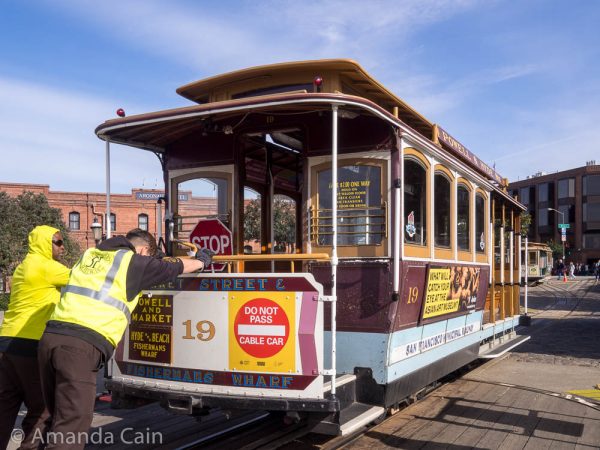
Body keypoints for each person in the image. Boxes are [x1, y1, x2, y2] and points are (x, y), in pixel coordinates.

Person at [37, 229, 212, 449]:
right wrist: (202, 261)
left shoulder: (90, 254)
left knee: (53, 416)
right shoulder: (133, 262)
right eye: (148, 257)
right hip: (81, 346)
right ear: (142, 250)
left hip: (50, 338)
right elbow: (175, 267)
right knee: (71, 425)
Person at [0, 225, 71, 450]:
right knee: (42, 409)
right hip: (30, 344)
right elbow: (86, 278)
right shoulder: (47, 267)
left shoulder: (23, 266)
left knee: (5, 406)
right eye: (58, 242)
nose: (63, 248)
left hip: (6, 342)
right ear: (44, 243)